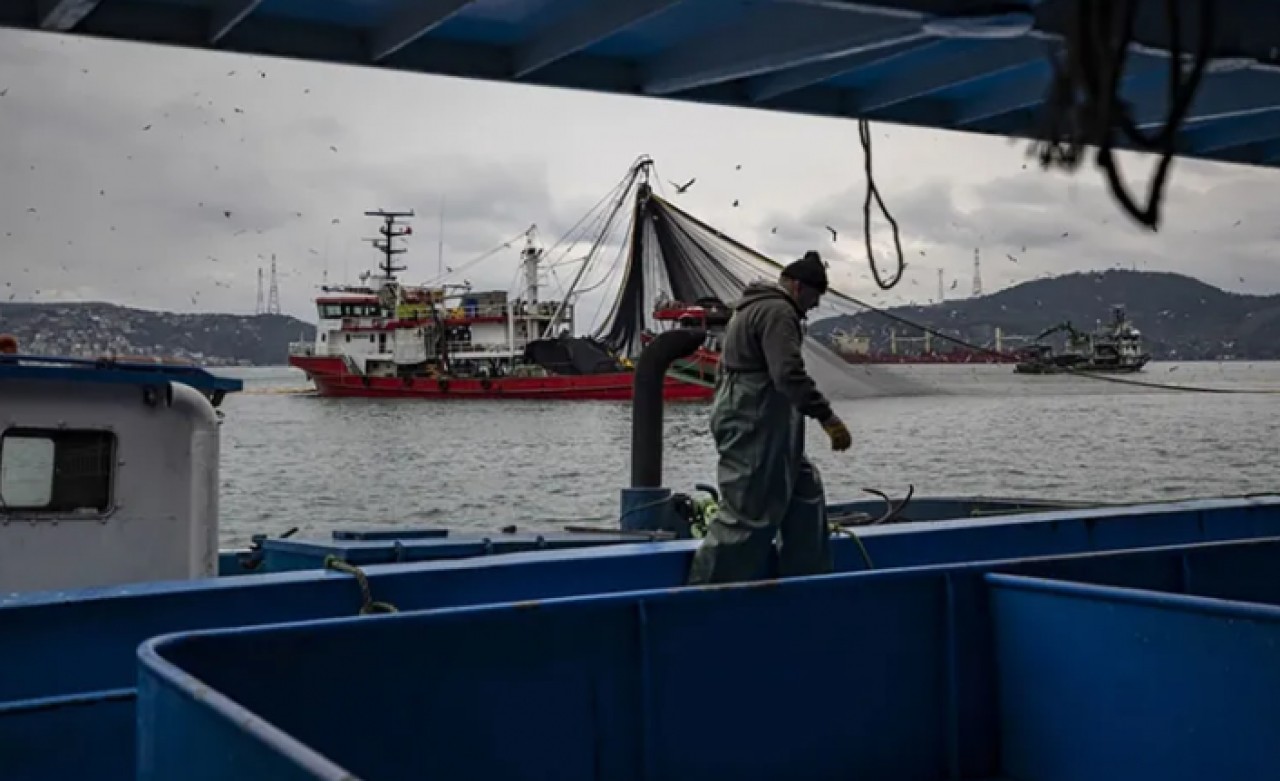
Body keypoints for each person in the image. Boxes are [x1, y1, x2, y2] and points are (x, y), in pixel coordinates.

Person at [687, 251, 852, 585]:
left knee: (805, 494)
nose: (815, 304)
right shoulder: (777, 312)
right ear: (795, 285)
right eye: (813, 295)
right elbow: (788, 375)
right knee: (748, 513)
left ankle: (808, 584)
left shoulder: (749, 308)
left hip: (766, 418)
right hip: (756, 419)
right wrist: (827, 417)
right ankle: (705, 596)